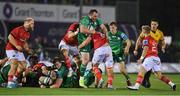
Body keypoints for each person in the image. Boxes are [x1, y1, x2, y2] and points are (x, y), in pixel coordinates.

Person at [127, 25, 176, 91]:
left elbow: (146, 49)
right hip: (156, 58)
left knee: (141, 70)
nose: (141, 31)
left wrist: (141, 58)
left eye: (142, 30)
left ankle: (136, 86)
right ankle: (172, 84)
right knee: (159, 75)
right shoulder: (153, 39)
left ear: (144, 31)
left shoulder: (146, 39)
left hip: (150, 58)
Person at [78, 9, 108, 88]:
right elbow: (82, 30)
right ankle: (81, 80)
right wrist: (94, 32)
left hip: (93, 41)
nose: (96, 17)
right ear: (90, 15)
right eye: (94, 16)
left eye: (96, 16)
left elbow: (104, 28)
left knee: (95, 62)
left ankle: (97, 82)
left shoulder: (97, 20)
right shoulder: (85, 19)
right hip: (83, 41)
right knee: (86, 60)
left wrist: (107, 36)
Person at [134, 18, 166, 88]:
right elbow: (138, 40)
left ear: (157, 25)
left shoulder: (160, 33)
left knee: (149, 67)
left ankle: (144, 81)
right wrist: (136, 49)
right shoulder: (146, 32)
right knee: (147, 67)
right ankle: (145, 80)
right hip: (147, 51)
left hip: (155, 51)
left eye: (154, 24)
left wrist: (163, 47)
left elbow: (163, 42)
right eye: (152, 24)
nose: (153, 26)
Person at [6, 17, 34, 88]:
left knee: (23, 66)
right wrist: (16, 45)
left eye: (33, 23)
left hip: (18, 51)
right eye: (32, 23)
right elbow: (10, 37)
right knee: (14, 64)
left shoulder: (28, 33)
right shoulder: (18, 29)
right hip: (11, 49)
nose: (33, 25)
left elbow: (24, 42)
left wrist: (27, 49)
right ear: (26, 23)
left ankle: (14, 79)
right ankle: (9, 83)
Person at [108, 22, 132, 86]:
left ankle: (128, 79)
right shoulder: (107, 34)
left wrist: (127, 47)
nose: (111, 29)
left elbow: (128, 41)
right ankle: (109, 83)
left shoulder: (120, 34)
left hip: (119, 53)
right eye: (110, 28)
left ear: (116, 27)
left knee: (122, 70)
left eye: (113, 27)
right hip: (111, 54)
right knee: (109, 68)